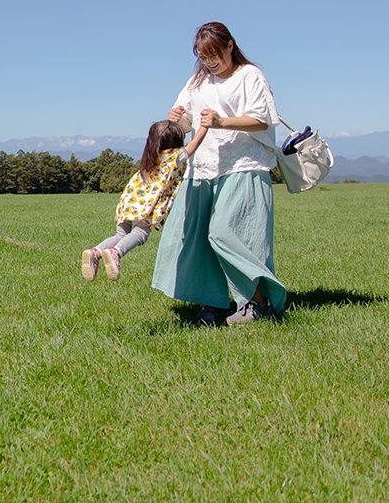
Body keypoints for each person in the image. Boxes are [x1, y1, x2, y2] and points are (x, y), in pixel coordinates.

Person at [150, 21, 289, 326]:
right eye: (203, 56)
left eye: (214, 54)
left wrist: (221, 122)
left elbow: (261, 120)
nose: (210, 62)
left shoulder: (249, 76)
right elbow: (188, 126)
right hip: (202, 167)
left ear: (230, 45)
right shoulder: (198, 82)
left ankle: (259, 303)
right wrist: (179, 120)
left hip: (242, 165)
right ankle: (211, 305)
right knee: (195, 239)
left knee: (227, 234)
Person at [80, 119, 207, 282]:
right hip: (146, 205)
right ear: (176, 139)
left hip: (129, 201)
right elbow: (195, 143)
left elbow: (165, 133)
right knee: (141, 233)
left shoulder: (151, 156)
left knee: (121, 233)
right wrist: (206, 125)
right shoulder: (174, 156)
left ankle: (95, 253)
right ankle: (116, 252)